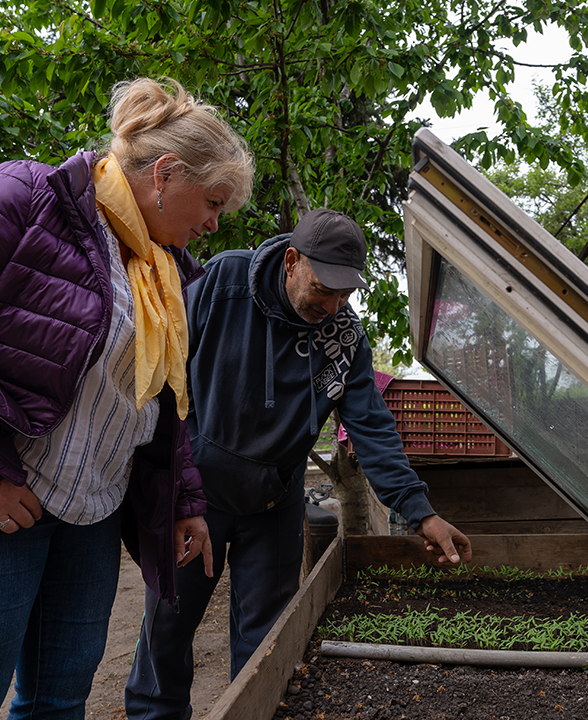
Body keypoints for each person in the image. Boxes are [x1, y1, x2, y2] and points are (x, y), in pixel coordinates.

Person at [0, 77, 253, 720]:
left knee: (60, 700)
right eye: (211, 202)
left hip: (88, 505)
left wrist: (184, 501)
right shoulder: (29, 198)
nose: (212, 223)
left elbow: (154, 404)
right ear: (165, 172)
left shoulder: (164, 269)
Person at [125, 208, 474, 719]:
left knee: (268, 641)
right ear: (292, 261)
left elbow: (372, 427)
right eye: (323, 289)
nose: (333, 306)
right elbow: (166, 374)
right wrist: (176, 487)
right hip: (194, 490)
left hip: (272, 500)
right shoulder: (224, 282)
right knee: (168, 625)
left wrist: (420, 512)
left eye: (345, 294)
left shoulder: (344, 339)